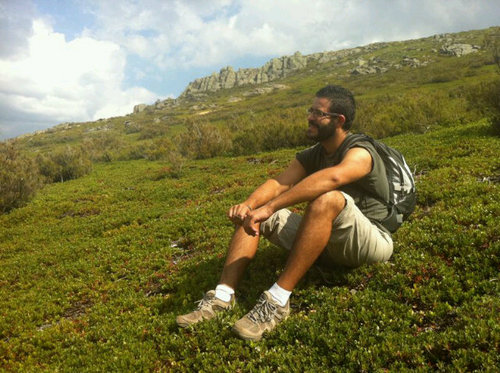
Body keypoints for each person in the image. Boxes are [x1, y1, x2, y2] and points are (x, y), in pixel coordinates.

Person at [176, 85, 393, 341]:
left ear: (339, 121)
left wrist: (272, 207)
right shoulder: (315, 154)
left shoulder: (361, 150)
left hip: (370, 243)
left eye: (317, 113)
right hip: (327, 243)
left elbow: (334, 176)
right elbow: (279, 183)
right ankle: (223, 296)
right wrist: (250, 205)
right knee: (256, 212)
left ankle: (277, 302)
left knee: (327, 199)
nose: (310, 116)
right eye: (310, 110)